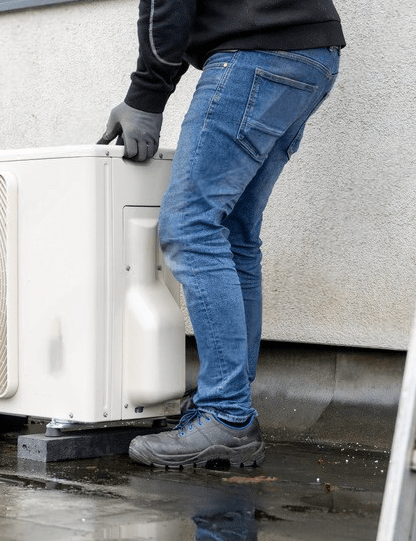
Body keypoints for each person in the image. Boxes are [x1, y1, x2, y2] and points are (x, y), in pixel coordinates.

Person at [98, 1, 344, 468]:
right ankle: (230, 407)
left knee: (190, 226)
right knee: (232, 234)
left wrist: (145, 96)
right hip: (311, 52)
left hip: (257, 52)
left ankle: (226, 413)